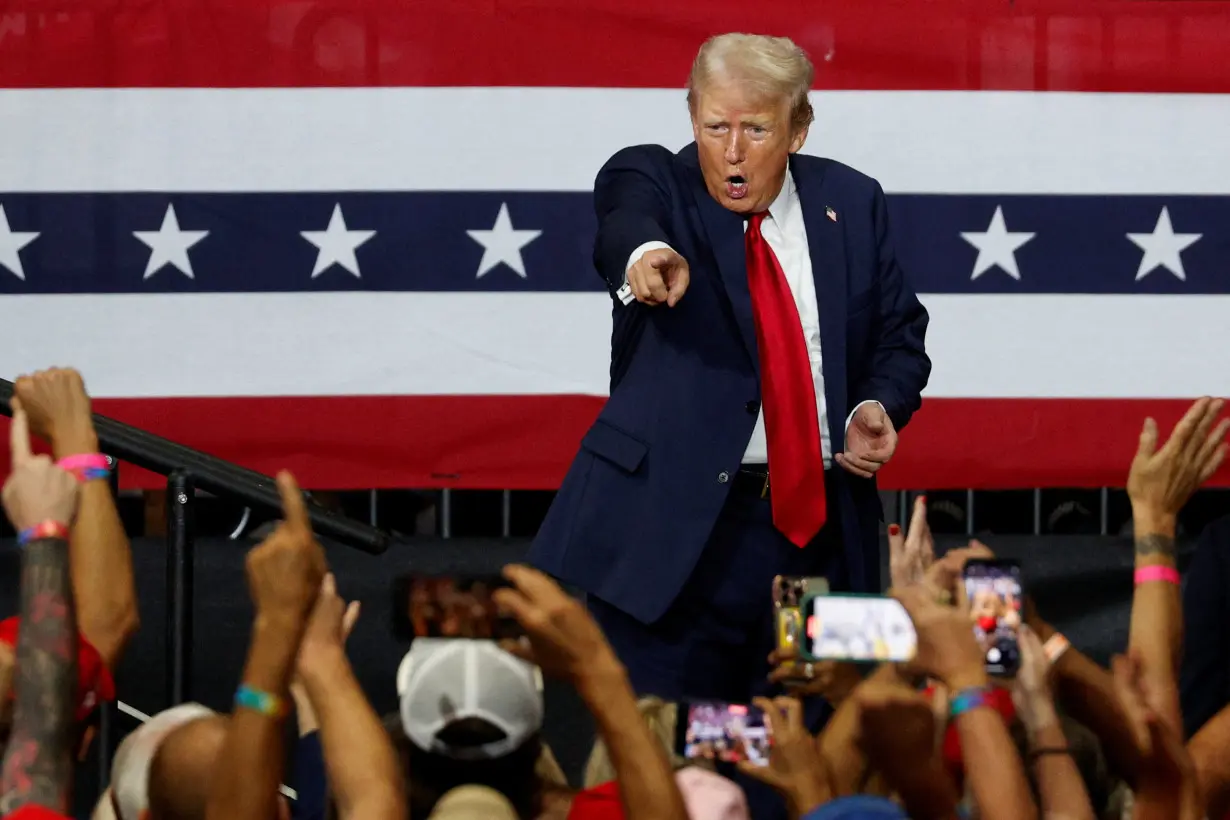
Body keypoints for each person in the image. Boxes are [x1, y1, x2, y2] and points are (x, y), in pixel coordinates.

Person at [529, 33, 930, 708]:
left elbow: (900, 337)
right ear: (692, 117)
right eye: (715, 126)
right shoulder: (656, 180)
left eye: (756, 129)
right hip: (677, 546)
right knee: (672, 768)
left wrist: (877, 407)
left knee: (802, 754)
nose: (733, 150)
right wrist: (644, 255)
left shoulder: (852, 202)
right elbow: (625, 219)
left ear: (798, 128)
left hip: (818, 544)